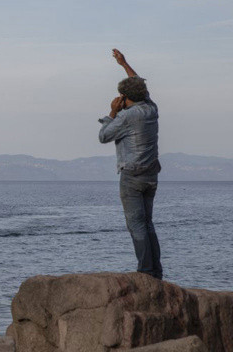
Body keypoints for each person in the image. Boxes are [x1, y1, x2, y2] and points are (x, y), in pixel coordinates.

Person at [98, 48, 163, 280]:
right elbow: (139, 85)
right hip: (151, 176)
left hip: (132, 177)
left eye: (122, 97)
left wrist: (112, 112)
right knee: (148, 224)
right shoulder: (151, 109)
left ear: (126, 99)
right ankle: (155, 271)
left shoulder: (127, 116)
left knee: (136, 225)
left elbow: (104, 136)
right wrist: (124, 64)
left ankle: (145, 273)